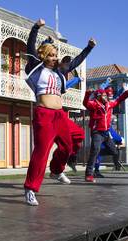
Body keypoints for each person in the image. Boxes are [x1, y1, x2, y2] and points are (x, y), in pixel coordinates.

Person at [23, 18, 95, 206]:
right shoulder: (35, 67)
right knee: (41, 151)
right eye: (52, 55)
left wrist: (89, 48)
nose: (56, 58)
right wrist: (36, 27)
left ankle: (56, 170)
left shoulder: (59, 72)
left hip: (60, 114)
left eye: (56, 55)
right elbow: (30, 47)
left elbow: (77, 61)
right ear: (44, 56)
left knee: (69, 144)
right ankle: (30, 188)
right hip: (44, 114)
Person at [83, 87, 128, 182]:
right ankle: (89, 175)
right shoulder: (94, 105)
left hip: (106, 133)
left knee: (114, 152)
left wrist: (126, 93)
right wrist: (87, 94)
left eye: (106, 95)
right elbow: (86, 103)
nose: (106, 97)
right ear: (98, 97)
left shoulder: (109, 105)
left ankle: (96, 152)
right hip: (97, 132)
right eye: (103, 95)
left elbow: (119, 100)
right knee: (95, 151)